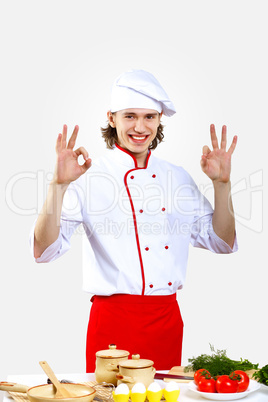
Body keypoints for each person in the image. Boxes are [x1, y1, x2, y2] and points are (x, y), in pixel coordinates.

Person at [30, 69, 238, 371]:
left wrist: (222, 185)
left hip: (165, 319)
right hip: (112, 321)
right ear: (111, 118)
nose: (140, 127)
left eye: (149, 117)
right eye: (130, 116)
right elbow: (44, 250)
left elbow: (222, 241)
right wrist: (58, 186)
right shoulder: (89, 176)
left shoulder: (177, 177)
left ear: (159, 120)